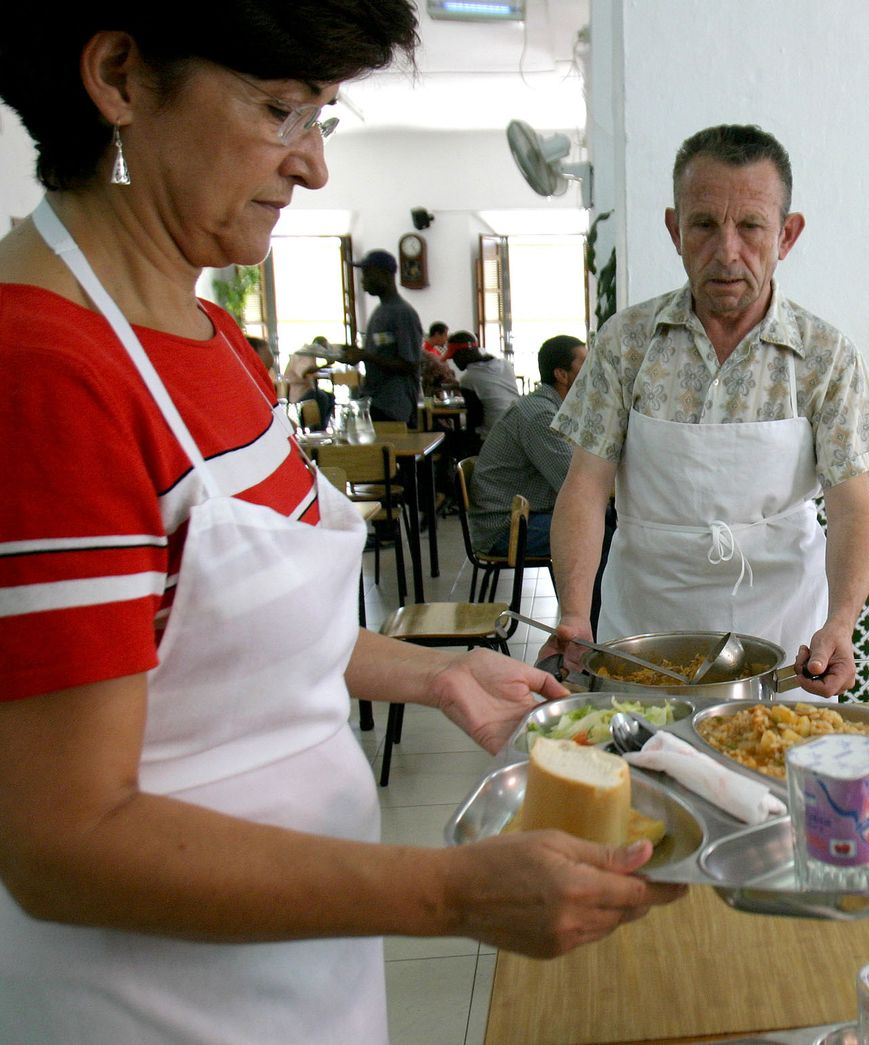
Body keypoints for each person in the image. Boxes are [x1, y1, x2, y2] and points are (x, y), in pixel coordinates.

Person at [0, 9, 682, 1041]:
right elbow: (63, 841)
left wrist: (433, 672)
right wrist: (451, 894)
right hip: (158, 998)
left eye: (322, 115)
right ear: (118, 75)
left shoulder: (207, 331)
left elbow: (238, 634)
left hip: (302, 958)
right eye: (281, 111)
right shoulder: (46, 373)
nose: (313, 165)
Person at [546, 124, 869, 697]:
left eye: (752, 226)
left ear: (787, 235)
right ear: (674, 230)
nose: (727, 251)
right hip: (645, 627)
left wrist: (840, 623)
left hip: (784, 632)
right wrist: (575, 613)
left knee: (769, 773)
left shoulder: (824, 356)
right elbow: (584, 488)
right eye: (704, 224)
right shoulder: (625, 343)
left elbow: (854, 509)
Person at [471, 335, 614, 634]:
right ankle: (591, 632)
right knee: (603, 533)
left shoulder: (556, 408)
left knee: (608, 522)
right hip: (506, 526)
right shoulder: (540, 415)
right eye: (586, 365)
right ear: (561, 375)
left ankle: (597, 623)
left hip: (525, 513)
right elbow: (577, 483)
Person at [345, 248, 422, 425]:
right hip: (375, 400)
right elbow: (381, 354)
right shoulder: (381, 311)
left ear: (385, 275)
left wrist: (365, 356)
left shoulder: (402, 313)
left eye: (367, 274)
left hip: (393, 406)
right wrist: (355, 354)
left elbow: (410, 364)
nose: (363, 280)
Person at [452, 331, 521, 440]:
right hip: (518, 428)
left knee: (452, 439)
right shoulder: (505, 364)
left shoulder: (468, 378)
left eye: (453, 357)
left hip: (492, 437)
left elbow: (475, 419)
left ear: (461, 355)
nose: (454, 362)